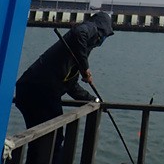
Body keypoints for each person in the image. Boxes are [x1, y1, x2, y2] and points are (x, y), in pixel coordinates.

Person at [15, 11, 114, 164]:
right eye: (101, 37)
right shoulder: (86, 31)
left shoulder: (74, 55)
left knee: (41, 141)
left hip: (36, 92)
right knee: (53, 139)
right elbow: (80, 32)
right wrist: (85, 67)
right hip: (37, 92)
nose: (100, 41)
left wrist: (95, 100)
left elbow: (72, 86)